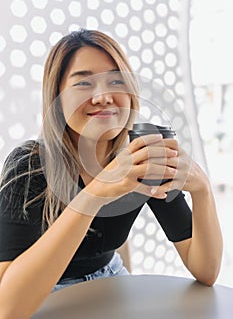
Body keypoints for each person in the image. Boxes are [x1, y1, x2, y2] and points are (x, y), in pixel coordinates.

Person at [0, 29, 222, 318]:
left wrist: (202, 190)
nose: (103, 96)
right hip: (41, 293)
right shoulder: (30, 165)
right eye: (83, 83)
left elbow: (205, 271)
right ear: (56, 97)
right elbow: (8, 307)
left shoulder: (141, 156)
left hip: (111, 279)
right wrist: (96, 194)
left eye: (116, 81)